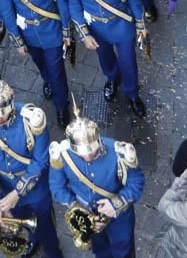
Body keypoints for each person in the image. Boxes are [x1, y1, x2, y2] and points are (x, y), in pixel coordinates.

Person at [0, 73, 63, 258]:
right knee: (20, 219)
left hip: (35, 188)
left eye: (2, 115)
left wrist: (17, 193)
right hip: (4, 186)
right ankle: (34, 240)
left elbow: (41, 160)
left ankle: (53, 251)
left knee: (45, 225)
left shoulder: (32, 120)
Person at [49, 102, 144, 258]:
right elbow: (56, 187)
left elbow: (136, 183)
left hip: (118, 216)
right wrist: (77, 208)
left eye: (91, 151)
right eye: (82, 153)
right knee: (99, 250)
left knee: (124, 250)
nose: (87, 157)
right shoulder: (62, 154)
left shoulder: (119, 153)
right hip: (86, 216)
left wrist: (115, 205)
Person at [66, 0, 147, 117]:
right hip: (96, 28)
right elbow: (74, 6)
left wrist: (140, 24)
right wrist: (84, 34)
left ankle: (132, 93)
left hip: (121, 26)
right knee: (105, 58)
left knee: (128, 62)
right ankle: (112, 78)